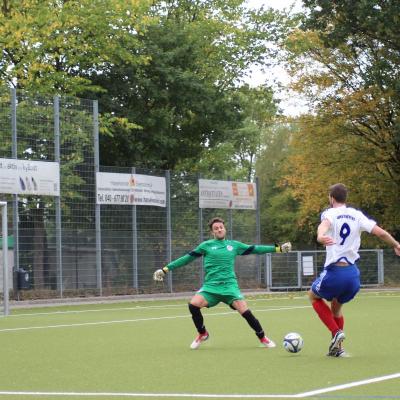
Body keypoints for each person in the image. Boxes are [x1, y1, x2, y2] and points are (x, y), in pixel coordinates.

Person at [153, 217, 292, 349]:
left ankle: (263, 338)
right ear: (212, 232)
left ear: (224, 229)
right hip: (211, 287)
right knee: (193, 305)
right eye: (216, 228)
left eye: (221, 227)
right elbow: (186, 258)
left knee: (245, 311)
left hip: (229, 286)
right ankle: (203, 334)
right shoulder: (206, 246)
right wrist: (165, 269)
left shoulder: (234, 245)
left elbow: (255, 248)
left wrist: (278, 249)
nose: (219, 230)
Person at [309, 183, 400, 357]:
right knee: (336, 309)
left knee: (313, 296)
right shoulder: (357, 215)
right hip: (352, 275)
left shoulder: (330, 213)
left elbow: (324, 225)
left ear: (331, 198)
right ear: (346, 198)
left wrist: (320, 235)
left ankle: (336, 332)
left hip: (335, 272)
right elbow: (380, 233)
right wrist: (396, 244)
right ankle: (338, 348)